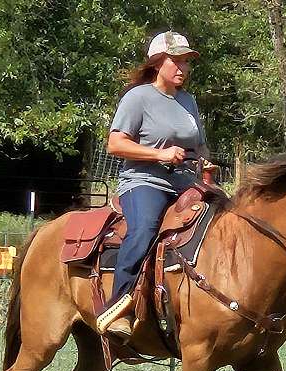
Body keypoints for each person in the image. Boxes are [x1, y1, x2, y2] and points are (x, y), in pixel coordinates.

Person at [96, 31, 210, 341]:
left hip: (186, 181)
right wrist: (160, 154)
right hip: (145, 181)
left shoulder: (188, 101)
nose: (183, 69)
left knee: (222, 220)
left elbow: (198, 145)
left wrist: (206, 164)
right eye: (177, 61)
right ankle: (119, 308)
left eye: (187, 63)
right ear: (158, 62)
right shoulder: (138, 98)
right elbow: (115, 144)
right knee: (144, 228)